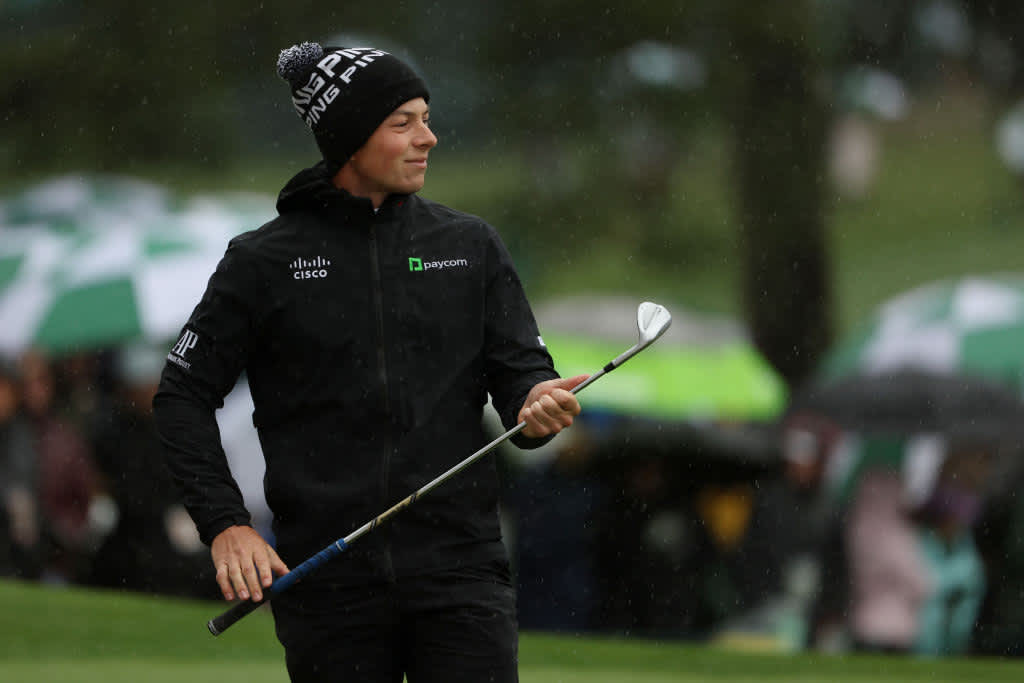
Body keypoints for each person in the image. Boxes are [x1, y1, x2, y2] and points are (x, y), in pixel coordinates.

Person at [153, 41, 585, 682]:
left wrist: (535, 402)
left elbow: (520, 375)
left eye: (426, 119)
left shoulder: (470, 246)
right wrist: (226, 525)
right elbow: (181, 396)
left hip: (460, 568)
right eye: (402, 123)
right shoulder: (262, 263)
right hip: (329, 581)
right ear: (351, 139)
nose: (428, 138)